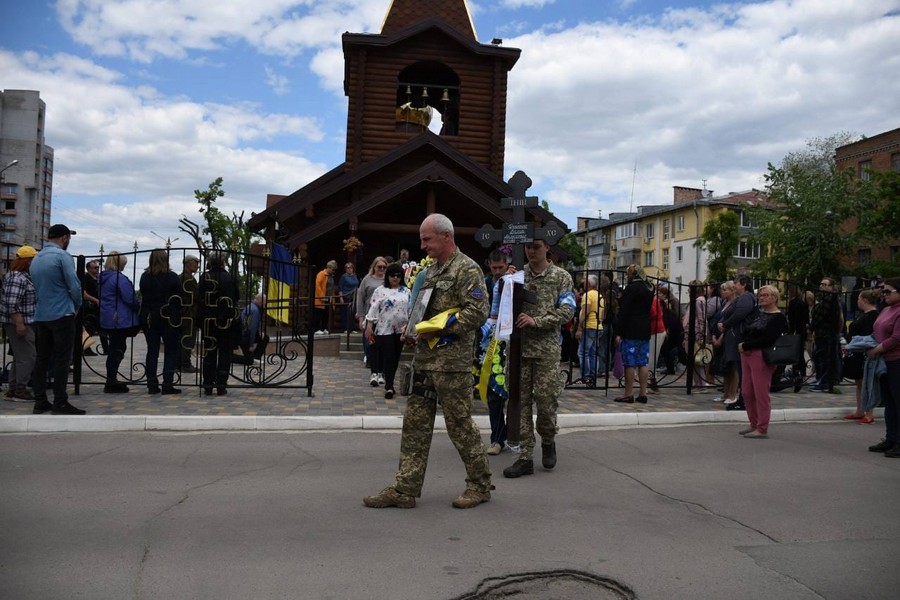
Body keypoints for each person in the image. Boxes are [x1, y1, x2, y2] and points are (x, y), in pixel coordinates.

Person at [363, 213, 491, 509]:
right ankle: (405, 489)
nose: (422, 246)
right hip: (425, 362)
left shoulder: (467, 270)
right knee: (415, 425)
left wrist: (439, 328)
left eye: (427, 239)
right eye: (422, 240)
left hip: (452, 365)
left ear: (446, 236)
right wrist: (413, 330)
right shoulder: (432, 271)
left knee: (459, 425)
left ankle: (480, 485)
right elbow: (423, 309)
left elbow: (478, 312)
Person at [503, 238, 576, 478]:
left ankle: (547, 438)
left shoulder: (561, 276)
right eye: (528, 247)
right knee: (520, 403)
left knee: (546, 401)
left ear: (547, 248)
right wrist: (506, 281)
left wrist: (538, 321)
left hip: (546, 349)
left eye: (536, 246)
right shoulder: (518, 274)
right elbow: (501, 304)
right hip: (519, 349)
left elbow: (568, 310)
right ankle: (525, 457)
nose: (531, 251)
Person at [29, 224, 85, 415]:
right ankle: (60, 402)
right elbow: (74, 285)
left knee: (42, 359)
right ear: (64, 238)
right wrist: (77, 305)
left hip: (41, 315)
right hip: (62, 314)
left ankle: (40, 400)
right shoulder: (62, 256)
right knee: (62, 359)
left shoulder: (37, 258)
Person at [736, 285, 789, 438]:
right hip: (747, 353)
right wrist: (744, 346)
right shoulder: (760, 314)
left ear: (774, 298)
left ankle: (762, 427)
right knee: (746, 391)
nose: (761, 297)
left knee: (761, 392)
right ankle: (753, 423)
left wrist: (746, 345)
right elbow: (749, 331)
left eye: (765, 295)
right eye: (760, 295)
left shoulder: (778, 317)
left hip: (762, 355)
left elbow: (768, 339)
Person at [140, 249, 182, 395]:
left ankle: (152, 384)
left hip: (149, 316)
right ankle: (167, 383)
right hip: (168, 316)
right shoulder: (172, 277)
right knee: (170, 351)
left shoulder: (145, 276)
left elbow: (144, 295)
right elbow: (179, 298)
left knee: (152, 350)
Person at [365, 263, 410, 399]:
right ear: (387, 277)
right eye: (392, 275)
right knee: (389, 356)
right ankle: (389, 386)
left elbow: (410, 309)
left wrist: (409, 325)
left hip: (401, 329)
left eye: (398, 276)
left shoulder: (406, 291)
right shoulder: (380, 290)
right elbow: (373, 308)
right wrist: (369, 325)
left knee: (396, 357)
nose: (395, 278)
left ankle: (389, 381)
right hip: (385, 329)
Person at [481, 250, 511, 454]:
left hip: (511, 341)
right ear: (489, 265)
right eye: (495, 268)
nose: (498, 272)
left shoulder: (513, 280)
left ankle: (513, 435)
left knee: (515, 394)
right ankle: (497, 438)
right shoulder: (484, 282)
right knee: (494, 392)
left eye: (502, 268)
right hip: (489, 341)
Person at [866, 278, 900, 457]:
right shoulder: (886, 309)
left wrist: (877, 349)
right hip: (884, 362)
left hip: (897, 361)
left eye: (888, 291)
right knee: (889, 402)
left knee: (898, 401)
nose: (884, 294)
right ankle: (891, 438)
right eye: (883, 291)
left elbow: (896, 338)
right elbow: (876, 331)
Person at [198, 251, 239, 396]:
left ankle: (208, 384)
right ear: (223, 262)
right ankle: (221, 385)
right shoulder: (229, 277)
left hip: (208, 321)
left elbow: (199, 298)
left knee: (209, 352)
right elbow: (236, 297)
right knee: (224, 353)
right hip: (226, 320)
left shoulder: (205, 277)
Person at [98, 251, 140, 393]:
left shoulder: (103, 277)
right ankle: (111, 381)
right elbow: (129, 298)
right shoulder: (118, 278)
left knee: (114, 349)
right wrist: (138, 306)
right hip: (119, 318)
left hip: (108, 317)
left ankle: (112, 379)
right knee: (118, 349)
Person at [0, 245, 38, 401]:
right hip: (19, 323)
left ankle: (14, 388)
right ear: (28, 261)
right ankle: (20, 390)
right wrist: (19, 323)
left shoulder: (21, 276)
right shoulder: (17, 277)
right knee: (28, 357)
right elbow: (11, 303)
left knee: (20, 357)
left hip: (21, 321)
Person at [614, 264, 654, 405]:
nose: (627, 276)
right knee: (643, 362)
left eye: (628, 273)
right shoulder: (649, 288)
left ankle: (628, 393)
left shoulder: (631, 289)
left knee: (629, 362)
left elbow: (624, 312)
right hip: (645, 328)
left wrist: (619, 332)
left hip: (631, 328)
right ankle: (643, 393)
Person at [718, 275, 756, 410]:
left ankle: (743, 398)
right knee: (738, 367)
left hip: (739, 335)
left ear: (743, 284)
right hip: (735, 333)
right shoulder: (742, 298)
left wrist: (725, 324)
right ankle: (742, 398)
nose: (734, 285)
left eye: (735, 282)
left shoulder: (746, 298)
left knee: (740, 368)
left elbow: (739, 314)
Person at [842, 289, 880, 423]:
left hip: (865, 352)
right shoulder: (864, 315)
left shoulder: (874, 316)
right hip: (856, 352)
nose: (857, 301)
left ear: (864, 300)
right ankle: (860, 410)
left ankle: (869, 413)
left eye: (858, 299)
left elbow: (870, 336)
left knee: (867, 382)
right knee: (859, 382)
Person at [356, 257, 388, 385]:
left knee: (383, 345)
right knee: (370, 343)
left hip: (385, 318)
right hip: (370, 317)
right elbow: (361, 298)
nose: (381, 269)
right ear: (374, 267)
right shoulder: (367, 280)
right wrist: (361, 317)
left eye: (384, 267)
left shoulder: (389, 280)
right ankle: (372, 365)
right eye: (379, 267)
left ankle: (381, 371)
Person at [809, 276, 843, 392]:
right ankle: (820, 379)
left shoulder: (831, 299)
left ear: (831, 287)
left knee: (825, 358)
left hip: (826, 332)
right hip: (820, 333)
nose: (822, 286)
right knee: (818, 356)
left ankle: (825, 382)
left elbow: (821, 316)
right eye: (821, 284)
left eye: (825, 284)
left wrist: (812, 326)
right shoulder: (823, 299)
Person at [576, 274, 605, 387]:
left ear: (588, 284)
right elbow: (602, 314)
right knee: (593, 353)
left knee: (583, 352)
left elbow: (585, 311)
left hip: (589, 326)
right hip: (598, 325)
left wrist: (579, 327)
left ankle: (586, 376)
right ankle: (592, 377)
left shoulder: (588, 295)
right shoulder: (600, 295)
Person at [178, 254, 201, 373]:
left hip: (182, 313)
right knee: (188, 339)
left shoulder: (180, 277)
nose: (197, 266)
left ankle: (180, 362)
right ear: (188, 264)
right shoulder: (188, 279)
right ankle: (185, 364)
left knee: (182, 339)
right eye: (195, 263)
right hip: (189, 313)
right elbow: (196, 296)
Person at [233, 294, 268, 365]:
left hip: (244, 334)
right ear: (261, 300)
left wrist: (260, 331)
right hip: (245, 337)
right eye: (265, 301)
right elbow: (251, 328)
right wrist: (251, 344)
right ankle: (231, 358)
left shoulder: (252, 306)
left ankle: (255, 357)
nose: (265, 303)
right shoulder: (255, 310)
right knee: (249, 361)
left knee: (265, 338)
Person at [79, 259, 104, 355]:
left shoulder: (98, 278)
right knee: (89, 328)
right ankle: (85, 348)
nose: (97, 269)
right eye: (95, 267)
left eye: (98, 267)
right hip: (89, 307)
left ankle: (105, 348)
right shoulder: (86, 278)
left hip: (97, 307)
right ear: (88, 268)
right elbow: (83, 294)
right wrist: (96, 300)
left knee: (99, 327)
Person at [314, 260, 337, 334]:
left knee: (326, 314)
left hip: (328, 297)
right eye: (333, 269)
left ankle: (324, 328)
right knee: (319, 313)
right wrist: (321, 296)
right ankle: (316, 329)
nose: (333, 271)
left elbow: (332, 287)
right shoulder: (321, 274)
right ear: (329, 268)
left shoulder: (331, 276)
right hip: (321, 298)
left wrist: (332, 299)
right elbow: (317, 285)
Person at [337, 262, 359, 333]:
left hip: (354, 297)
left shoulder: (355, 276)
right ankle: (345, 328)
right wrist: (341, 297)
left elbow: (357, 285)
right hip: (346, 296)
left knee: (352, 313)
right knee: (345, 313)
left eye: (350, 268)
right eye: (347, 268)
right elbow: (340, 287)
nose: (349, 269)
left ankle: (352, 328)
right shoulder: (344, 277)